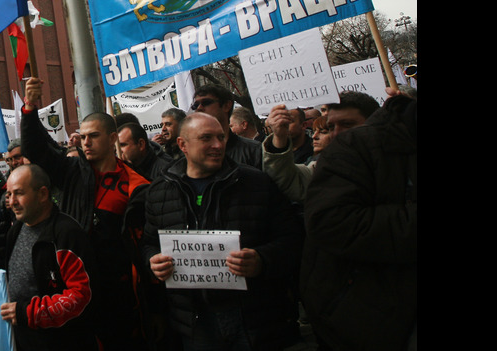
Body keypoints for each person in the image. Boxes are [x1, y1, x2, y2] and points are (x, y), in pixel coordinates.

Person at [143, 112, 304, 350]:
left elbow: (292, 240)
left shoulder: (256, 183)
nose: (218, 145)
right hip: (194, 323)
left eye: (220, 137)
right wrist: (152, 262)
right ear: (182, 144)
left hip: (254, 320)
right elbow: (148, 243)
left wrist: (262, 260)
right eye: (206, 138)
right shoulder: (159, 190)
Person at [21, 76, 149, 350]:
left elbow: (143, 244)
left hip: (118, 293)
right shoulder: (70, 172)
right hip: (74, 289)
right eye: (83, 135)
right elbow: (36, 149)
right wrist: (30, 108)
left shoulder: (135, 185)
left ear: (113, 138)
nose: (85, 142)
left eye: (94, 136)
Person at [300, 93, 417, 351]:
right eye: (331, 127)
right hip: (371, 319)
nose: (337, 134)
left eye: (347, 125)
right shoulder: (354, 149)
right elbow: (331, 222)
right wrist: (278, 142)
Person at [1, 164, 99, 350]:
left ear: (43, 194)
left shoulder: (66, 234)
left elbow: (81, 295)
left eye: (19, 193)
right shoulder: (15, 230)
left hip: (64, 342)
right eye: (9, 194)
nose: (12, 201)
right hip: (25, 340)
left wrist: (28, 313)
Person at [189, 84, 262, 169]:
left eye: (206, 102)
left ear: (227, 106)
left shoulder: (254, 150)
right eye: (195, 105)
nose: (199, 108)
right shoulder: (189, 153)